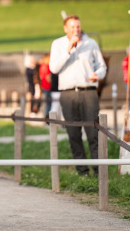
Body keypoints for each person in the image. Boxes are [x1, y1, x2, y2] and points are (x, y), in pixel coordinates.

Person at [49, 14, 107, 175]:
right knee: (73, 133)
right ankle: (82, 170)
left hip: (88, 92)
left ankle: (98, 170)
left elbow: (102, 67)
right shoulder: (58, 44)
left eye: (78, 27)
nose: (76, 30)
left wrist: (98, 74)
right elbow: (53, 68)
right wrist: (68, 49)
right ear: (65, 28)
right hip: (68, 94)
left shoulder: (91, 43)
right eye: (73, 27)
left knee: (93, 132)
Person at [38, 53, 53, 118]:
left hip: (45, 87)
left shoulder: (43, 66)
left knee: (47, 104)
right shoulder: (45, 67)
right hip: (47, 88)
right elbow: (48, 78)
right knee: (48, 104)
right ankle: (47, 118)